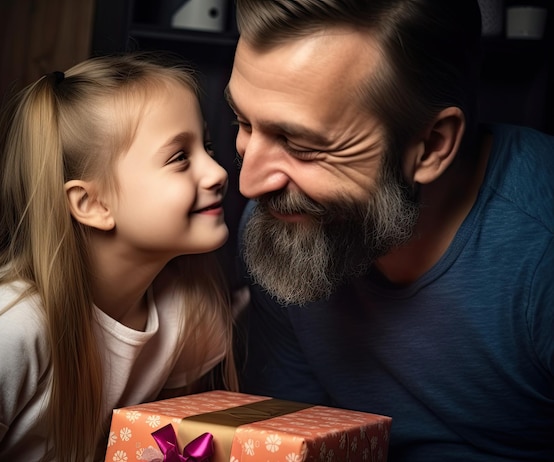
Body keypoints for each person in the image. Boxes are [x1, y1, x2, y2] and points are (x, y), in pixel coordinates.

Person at [226, 0, 554, 461]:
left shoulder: (542, 249)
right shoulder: (285, 226)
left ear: (431, 146)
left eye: (301, 146)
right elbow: (288, 439)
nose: (250, 183)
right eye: (243, 123)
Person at [0, 51, 238, 462]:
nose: (217, 172)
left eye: (208, 147)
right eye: (179, 157)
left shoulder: (187, 312)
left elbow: (163, 447)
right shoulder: (13, 325)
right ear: (92, 204)